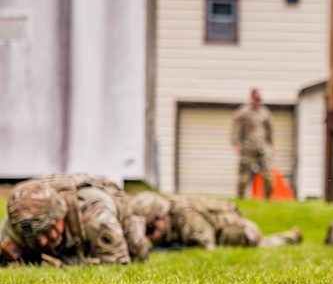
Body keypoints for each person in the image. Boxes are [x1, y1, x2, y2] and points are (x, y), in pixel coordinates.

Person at [1, 174, 148, 267]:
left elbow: (116, 264)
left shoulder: (95, 215)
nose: (42, 242)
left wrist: (62, 265)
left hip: (120, 220)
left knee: (139, 257)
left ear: (60, 215)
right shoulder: (18, 224)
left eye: (47, 232)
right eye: (34, 237)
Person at [129, 192, 302, 250]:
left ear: (163, 217)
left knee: (261, 244)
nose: (149, 236)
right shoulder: (170, 214)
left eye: (150, 229)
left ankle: (291, 236)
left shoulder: (188, 217)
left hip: (243, 231)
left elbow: (205, 246)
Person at [232, 88, 274, 199]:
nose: (258, 101)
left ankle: (268, 198)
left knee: (268, 172)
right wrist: (237, 144)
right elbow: (236, 130)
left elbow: (269, 130)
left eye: (260, 99)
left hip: (262, 147)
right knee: (244, 174)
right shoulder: (243, 112)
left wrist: (271, 146)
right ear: (251, 98)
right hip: (247, 147)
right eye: (256, 98)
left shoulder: (265, 112)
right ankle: (240, 197)